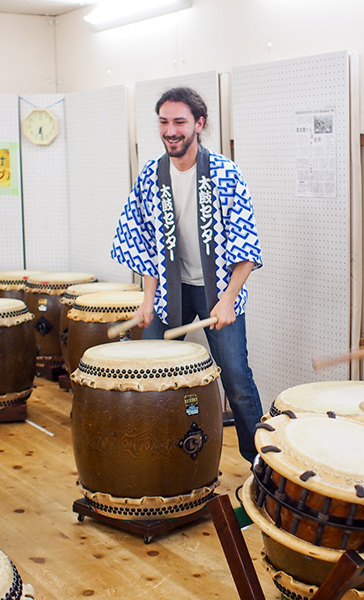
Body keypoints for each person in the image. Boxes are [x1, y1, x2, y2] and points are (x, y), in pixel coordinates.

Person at [111, 87, 263, 464]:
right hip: (169, 292)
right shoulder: (151, 175)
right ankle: (151, 457)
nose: (170, 130)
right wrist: (148, 298)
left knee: (236, 379)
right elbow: (143, 242)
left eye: (179, 121)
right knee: (148, 373)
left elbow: (247, 245)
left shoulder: (225, 174)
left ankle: (261, 461)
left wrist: (228, 299)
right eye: (164, 122)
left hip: (217, 293)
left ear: (199, 123)